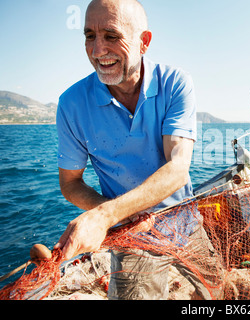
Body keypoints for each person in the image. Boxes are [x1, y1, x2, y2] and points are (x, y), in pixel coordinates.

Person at [54, 0, 222, 300]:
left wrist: (105, 216)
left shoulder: (174, 83)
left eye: (111, 35)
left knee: (215, 288)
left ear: (143, 42)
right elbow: (70, 183)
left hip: (185, 221)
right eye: (89, 36)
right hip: (131, 235)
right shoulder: (71, 104)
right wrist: (119, 217)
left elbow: (178, 167)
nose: (97, 50)